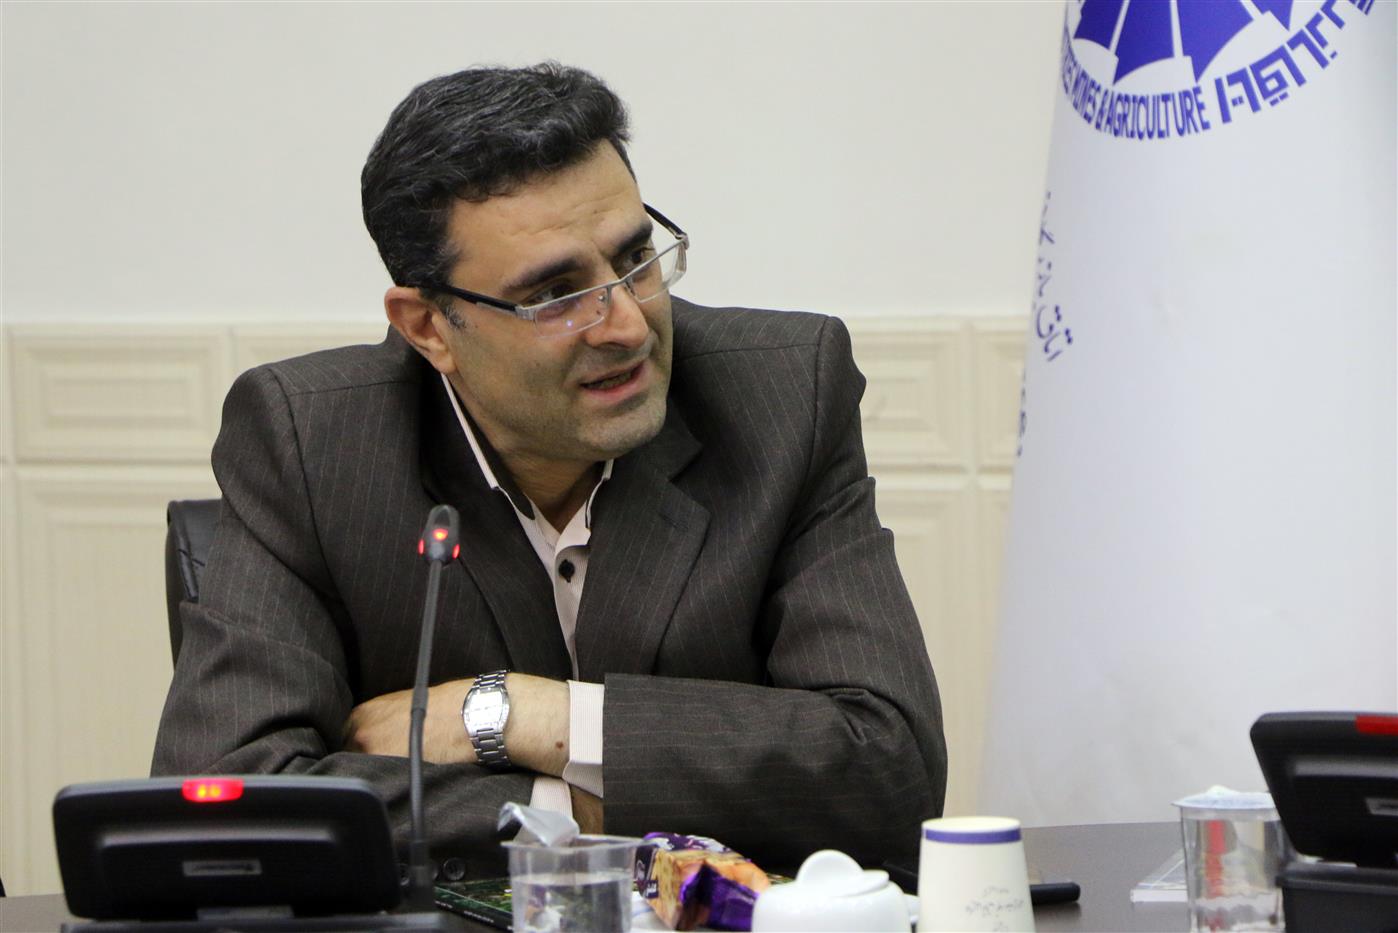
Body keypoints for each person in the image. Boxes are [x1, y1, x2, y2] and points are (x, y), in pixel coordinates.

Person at [152, 62, 946, 876]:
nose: (627, 325)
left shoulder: (782, 395)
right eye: (556, 294)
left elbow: (892, 771)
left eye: (634, 259)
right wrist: (570, 814)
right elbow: (229, 800)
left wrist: (520, 714)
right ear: (429, 327)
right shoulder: (311, 442)